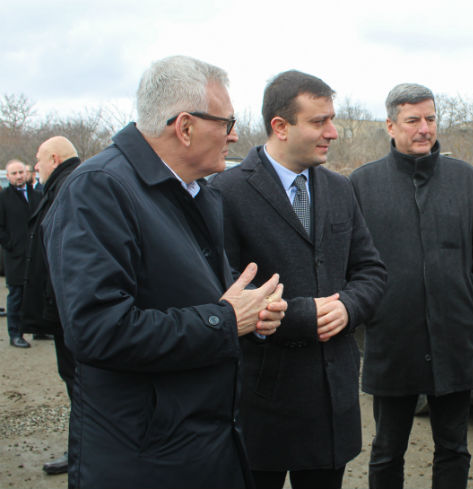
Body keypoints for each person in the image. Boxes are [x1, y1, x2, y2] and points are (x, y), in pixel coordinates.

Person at [42, 55, 287, 489]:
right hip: (145, 461)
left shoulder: (199, 194)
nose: (234, 136)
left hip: (204, 447)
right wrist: (227, 320)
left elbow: (210, 297)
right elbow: (97, 329)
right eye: (227, 122)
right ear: (186, 127)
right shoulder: (99, 189)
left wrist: (255, 314)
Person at [211, 70, 387, 489]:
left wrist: (348, 306)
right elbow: (221, 285)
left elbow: (371, 271)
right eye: (319, 121)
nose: (333, 132)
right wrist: (302, 316)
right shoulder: (226, 191)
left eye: (332, 119)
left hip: (331, 403)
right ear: (280, 127)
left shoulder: (340, 189)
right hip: (262, 402)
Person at [350, 83, 473, 489]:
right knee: (387, 450)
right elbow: (348, 257)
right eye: (413, 120)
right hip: (392, 342)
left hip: (455, 337)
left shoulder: (466, 179)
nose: (424, 129)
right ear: (390, 125)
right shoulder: (362, 185)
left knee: (454, 447)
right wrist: (371, 309)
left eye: (431, 119)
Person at [20, 136, 81, 475]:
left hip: (66, 313)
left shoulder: (69, 188)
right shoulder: (63, 187)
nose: (35, 168)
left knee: (79, 384)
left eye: (38, 161)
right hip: (62, 311)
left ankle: (81, 455)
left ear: (54, 159)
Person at [0, 159, 42, 348]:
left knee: (37, 291)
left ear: (27, 173)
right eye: (14, 173)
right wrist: (11, 245)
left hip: (36, 253)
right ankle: (15, 333)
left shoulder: (37, 196)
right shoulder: (3, 198)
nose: (18, 176)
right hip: (16, 256)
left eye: (20, 172)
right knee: (16, 295)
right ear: (8, 176)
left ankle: (39, 329)